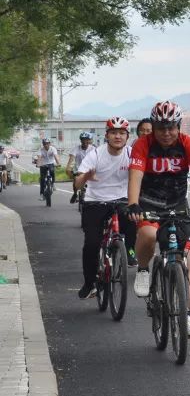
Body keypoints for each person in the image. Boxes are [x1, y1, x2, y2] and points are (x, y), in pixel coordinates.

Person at [127, 100, 190, 337]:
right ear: (154, 127)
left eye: (171, 127)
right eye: (161, 128)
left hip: (177, 203)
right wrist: (133, 204)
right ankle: (144, 269)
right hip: (149, 202)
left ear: (178, 126)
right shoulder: (142, 144)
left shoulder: (188, 143)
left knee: (186, 260)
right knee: (147, 234)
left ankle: (187, 316)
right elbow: (135, 175)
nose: (166, 133)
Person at [74, 118, 138, 298]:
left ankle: (130, 251)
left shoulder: (132, 154)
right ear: (107, 135)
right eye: (113, 132)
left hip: (122, 200)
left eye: (122, 133)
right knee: (92, 243)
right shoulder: (95, 154)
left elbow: (142, 177)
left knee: (134, 220)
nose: (118, 136)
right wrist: (85, 176)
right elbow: (77, 185)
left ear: (127, 136)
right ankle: (89, 284)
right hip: (96, 202)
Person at [67, 132, 94, 203]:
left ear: (90, 140)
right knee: (76, 180)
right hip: (78, 169)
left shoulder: (93, 149)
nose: (85, 141)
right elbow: (71, 159)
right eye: (83, 139)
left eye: (87, 140)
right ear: (80, 140)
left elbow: (98, 159)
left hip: (89, 169)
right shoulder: (76, 149)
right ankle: (75, 193)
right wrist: (68, 168)